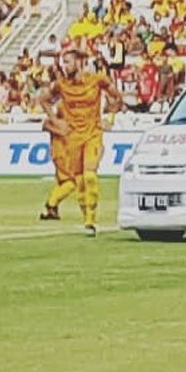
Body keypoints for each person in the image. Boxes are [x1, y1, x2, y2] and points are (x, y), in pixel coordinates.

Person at [37, 50, 122, 237]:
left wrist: (111, 118)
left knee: (90, 175)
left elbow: (117, 97)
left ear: (80, 62)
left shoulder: (98, 79)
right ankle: (85, 218)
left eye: (68, 62)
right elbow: (43, 100)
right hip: (72, 137)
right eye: (63, 62)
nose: (64, 66)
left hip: (93, 133)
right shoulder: (61, 84)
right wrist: (55, 120)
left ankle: (91, 220)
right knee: (79, 180)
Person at [39, 104, 77, 221]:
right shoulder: (58, 121)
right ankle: (51, 204)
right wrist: (59, 132)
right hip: (60, 154)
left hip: (65, 154)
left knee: (62, 182)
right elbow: (45, 125)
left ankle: (52, 209)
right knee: (71, 183)